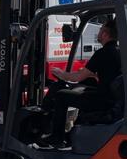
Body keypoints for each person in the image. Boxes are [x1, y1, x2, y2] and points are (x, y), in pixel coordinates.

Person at [45, 16, 122, 145]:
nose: (98, 33)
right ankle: (76, 128)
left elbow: (78, 77)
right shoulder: (120, 52)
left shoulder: (102, 53)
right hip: (113, 98)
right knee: (88, 85)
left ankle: (57, 137)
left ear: (104, 34)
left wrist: (61, 73)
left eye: (100, 30)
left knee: (61, 96)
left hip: (103, 100)